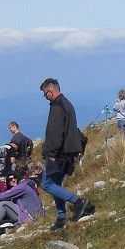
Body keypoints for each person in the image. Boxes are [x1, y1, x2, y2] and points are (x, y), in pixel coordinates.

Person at [39, 78, 94, 231]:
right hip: (68, 152)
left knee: (47, 184)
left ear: (51, 91)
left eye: (45, 94)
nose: (45, 98)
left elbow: (55, 132)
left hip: (58, 154)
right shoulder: (67, 104)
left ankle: (78, 202)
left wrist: (51, 153)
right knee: (55, 184)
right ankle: (61, 217)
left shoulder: (57, 107)